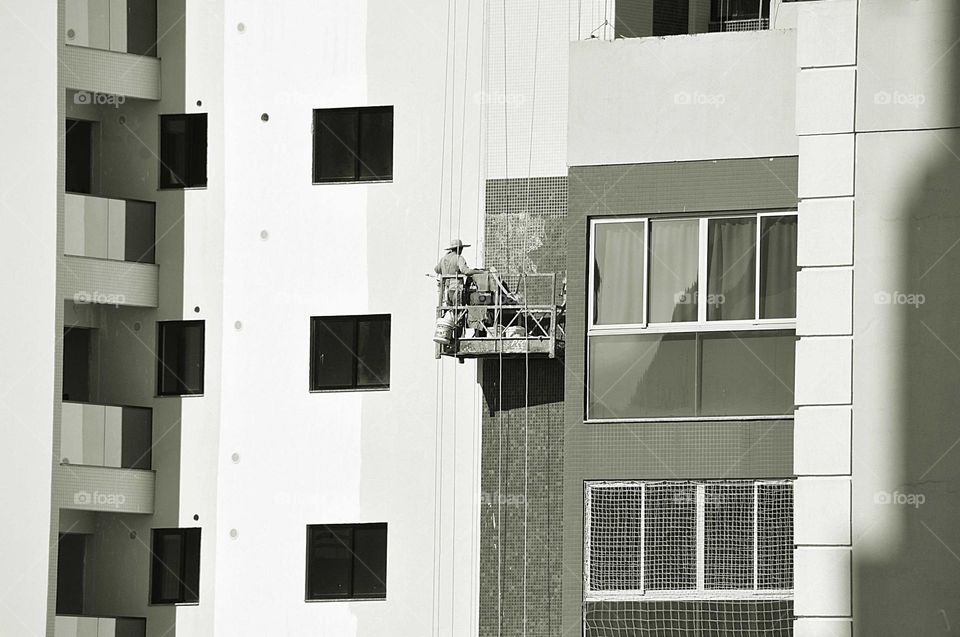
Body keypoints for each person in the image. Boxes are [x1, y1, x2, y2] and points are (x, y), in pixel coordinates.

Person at [435, 239, 483, 306]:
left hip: (447, 291)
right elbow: (466, 271)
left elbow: (436, 269)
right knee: (459, 313)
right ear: (460, 249)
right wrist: (480, 272)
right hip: (456, 290)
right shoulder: (458, 258)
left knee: (454, 313)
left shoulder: (443, 259)